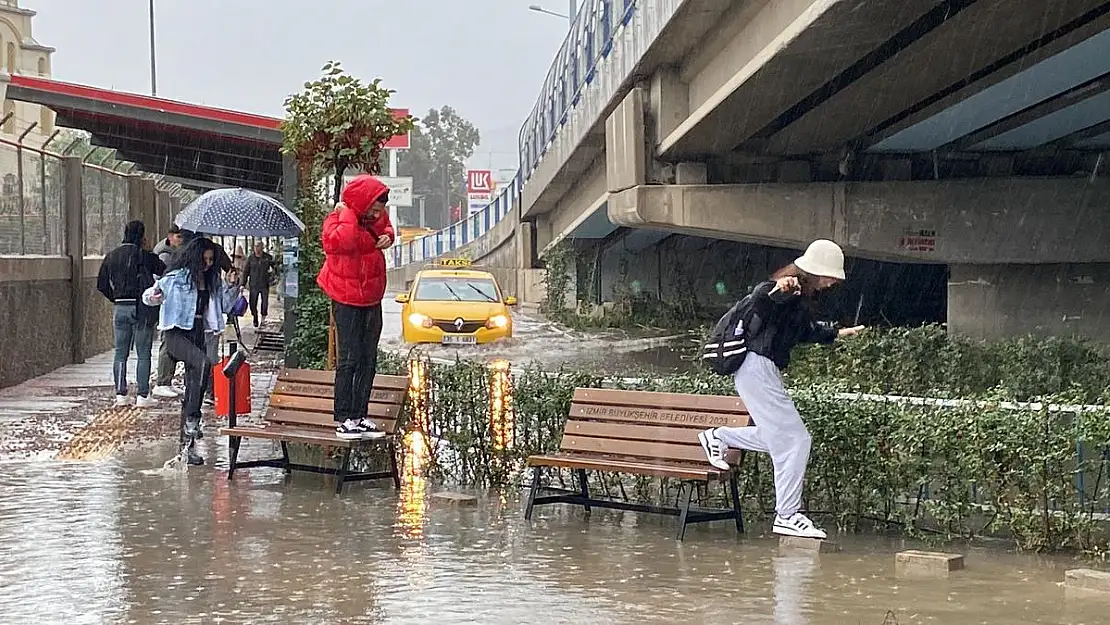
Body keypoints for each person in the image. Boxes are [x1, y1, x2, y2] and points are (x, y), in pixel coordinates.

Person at [698, 240, 865, 540]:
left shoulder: (800, 297)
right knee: (797, 440)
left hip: (762, 369)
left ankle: (718, 436)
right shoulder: (783, 289)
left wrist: (837, 333)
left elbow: (802, 331)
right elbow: (762, 301)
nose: (830, 283)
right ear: (813, 271)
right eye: (828, 276)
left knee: (779, 439)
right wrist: (779, 290)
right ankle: (787, 514)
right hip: (756, 367)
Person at [143, 237, 241, 465]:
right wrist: (156, 297)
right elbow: (149, 296)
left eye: (211, 260)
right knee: (205, 363)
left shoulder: (212, 281)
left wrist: (233, 284)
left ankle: (186, 449)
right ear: (194, 258)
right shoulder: (177, 278)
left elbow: (226, 307)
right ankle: (193, 420)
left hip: (198, 332)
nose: (207, 264)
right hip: (176, 333)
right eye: (204, 260)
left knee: (193, 387)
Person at [317, 175, 394, 440]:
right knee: (348, 358)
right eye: (373, 209)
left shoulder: (379, 217)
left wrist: (387, 236)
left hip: (372, 297)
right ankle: (344, 416)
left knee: (368, 358)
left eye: (380, 209)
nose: (377, 214)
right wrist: (348, 214)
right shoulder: (337, 220)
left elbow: (387, 229)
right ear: (361, 204)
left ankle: (360, 414)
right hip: (346, 298)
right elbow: (342, 242)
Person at [97, 220, 165, 408]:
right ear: (142, 236)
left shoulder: (112, 256)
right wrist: (149, 251)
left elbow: (101, 284)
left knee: (120, 353)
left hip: (120, 308)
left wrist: (116, 298)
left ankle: (121, 394)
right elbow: (163, 271)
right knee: (143, 353)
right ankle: (143, 395)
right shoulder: (144, 256)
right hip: (141, 308)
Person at [152, 225, 187, 399]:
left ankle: (167, 380)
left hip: (172, 306)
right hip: (168, 306)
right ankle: (162, 382)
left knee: (172, 343)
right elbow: (162, 281)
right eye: (178, 237)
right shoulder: (165, 255)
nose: (181, 241)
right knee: (167, 343)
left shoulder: (171, 252)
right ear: (171, 236)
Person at [242, 241, 274, 327]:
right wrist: (242, 284)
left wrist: (272, 278)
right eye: (255, 246)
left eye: (258, 246)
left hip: (264, 284)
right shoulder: (250, 258)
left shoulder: (268, 257)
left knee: (264, 303)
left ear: (262, 247)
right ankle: (255, 317)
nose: (256, 249)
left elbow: (275, 268)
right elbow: (246, 272)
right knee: (252, 303)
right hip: (253, 285)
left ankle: (263, 319)